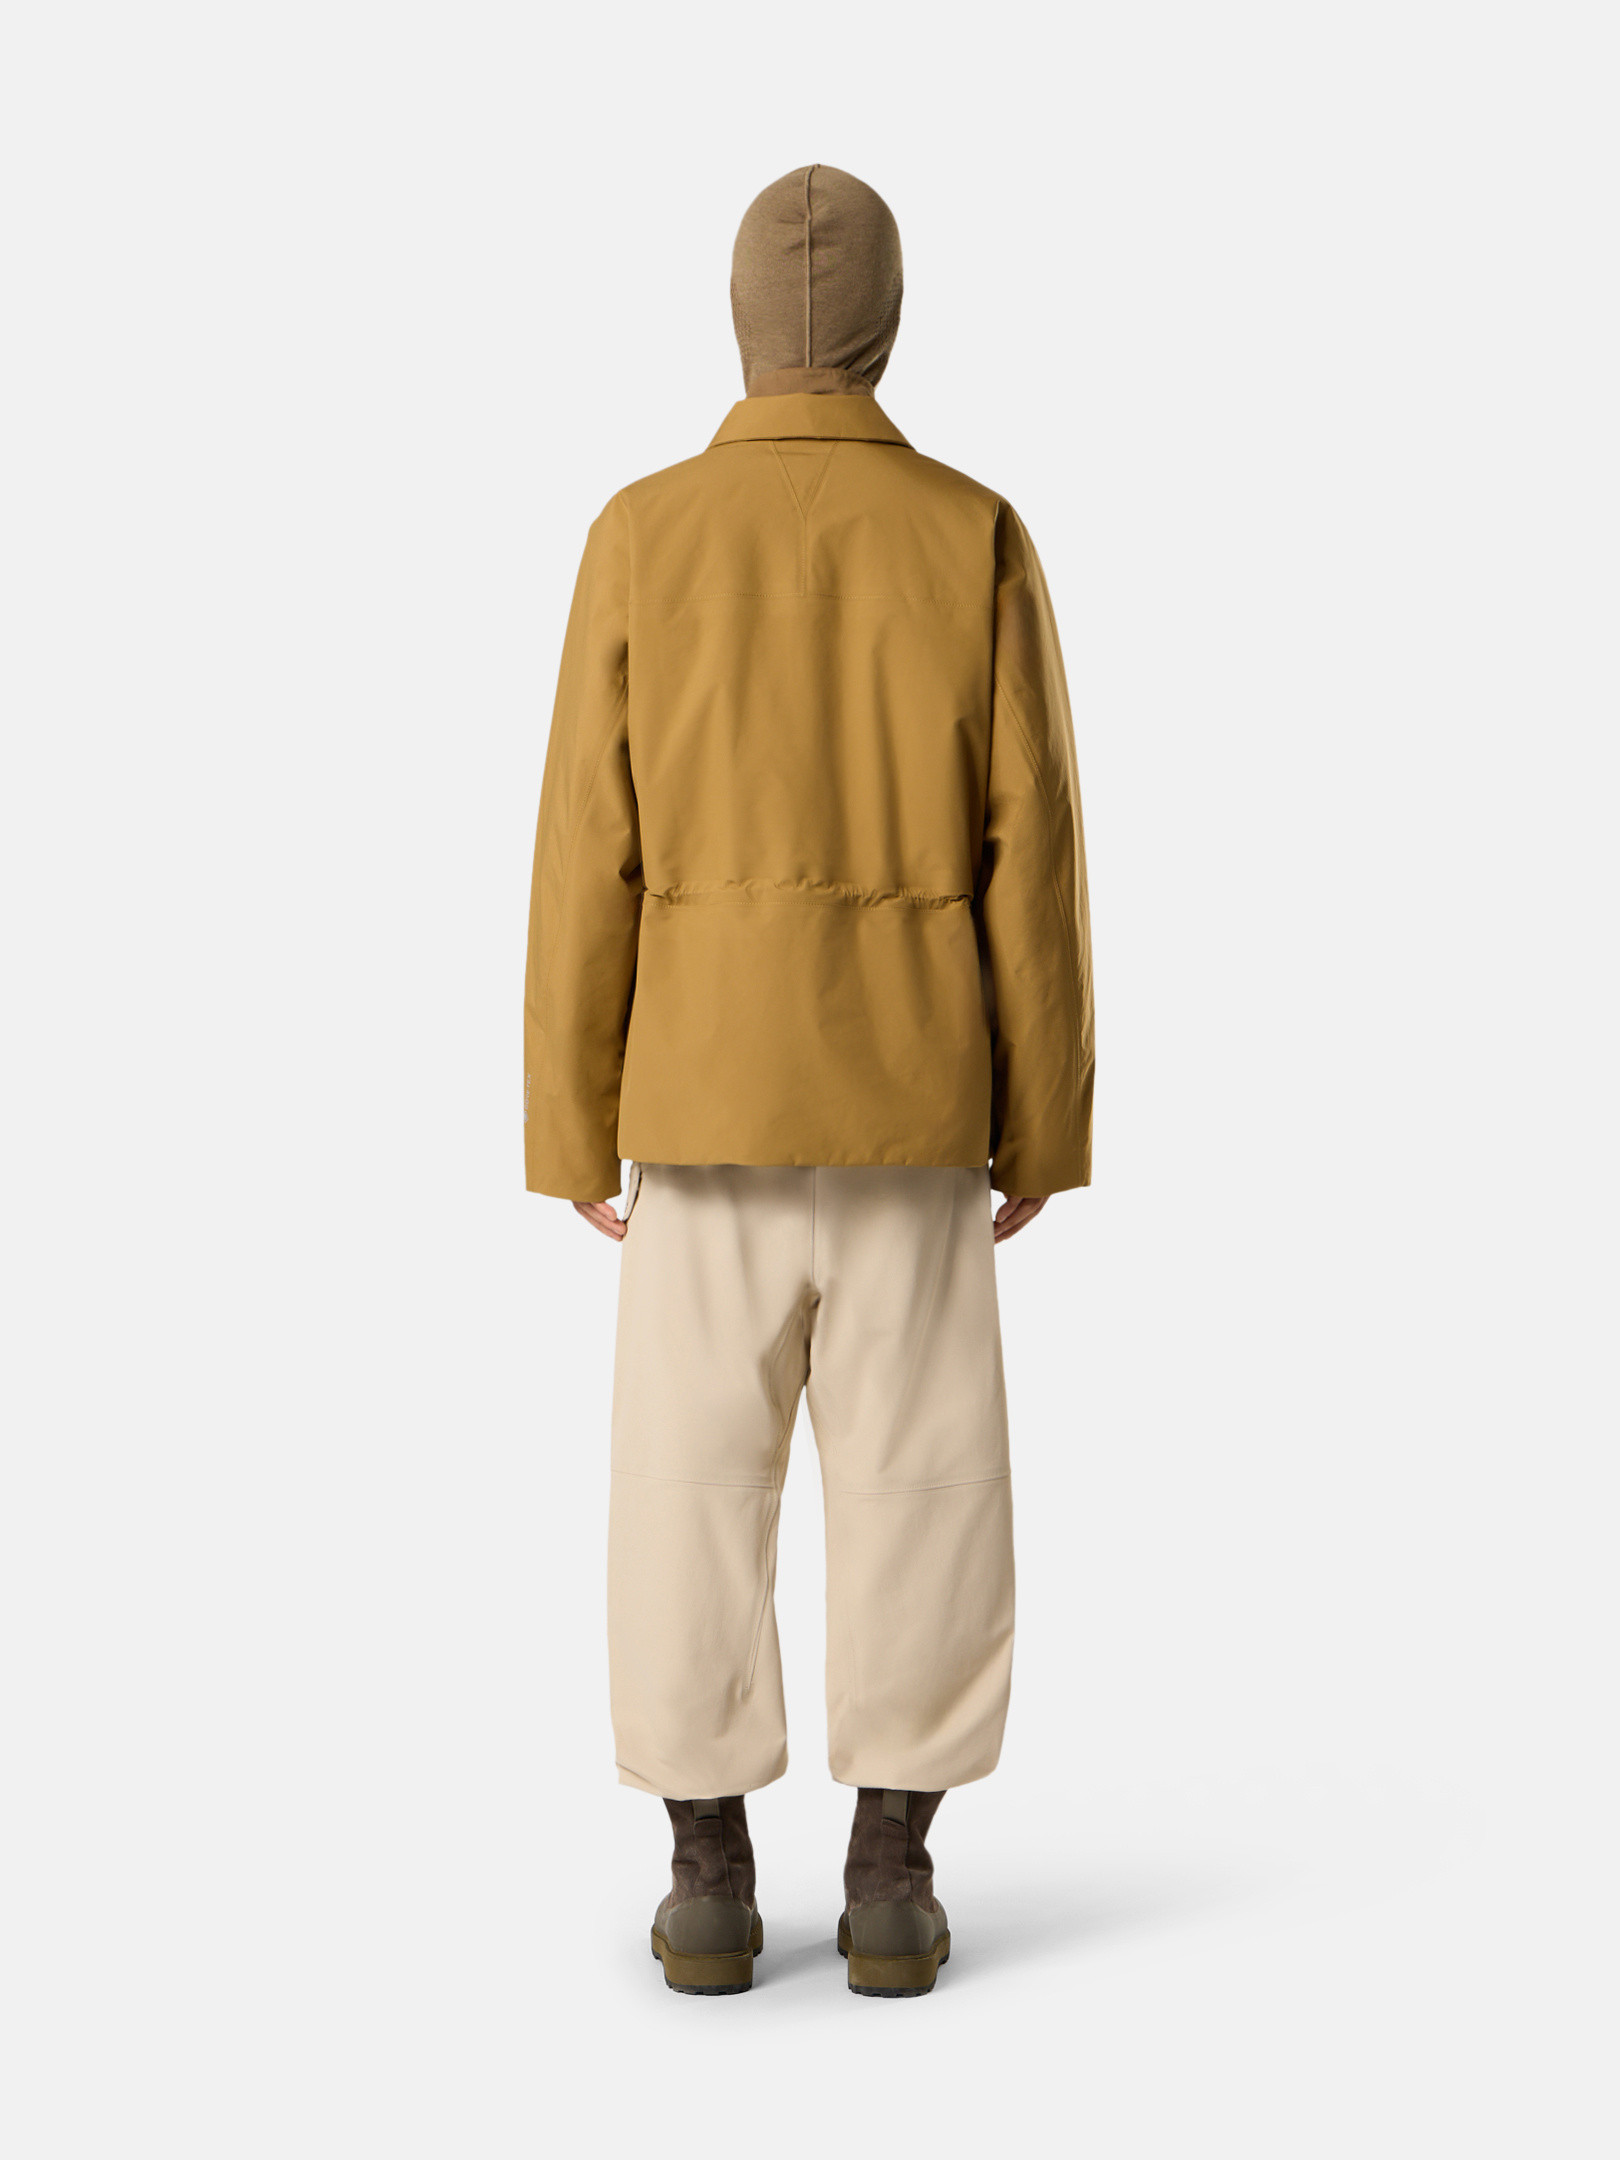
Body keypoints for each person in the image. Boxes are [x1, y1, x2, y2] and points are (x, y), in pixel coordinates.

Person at [523, 164, 1093, 1997]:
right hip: (918, 1099)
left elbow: (586, 848)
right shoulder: (971, 531)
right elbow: (1032, 847)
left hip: (699, 1099)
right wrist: (1043, 1116)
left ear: (739, 323)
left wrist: (571, 1118)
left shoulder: (642, 531)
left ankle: (706, 1877)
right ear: (888, 323)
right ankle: (893, 1877)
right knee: (927, 1485)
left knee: (688, 1486)